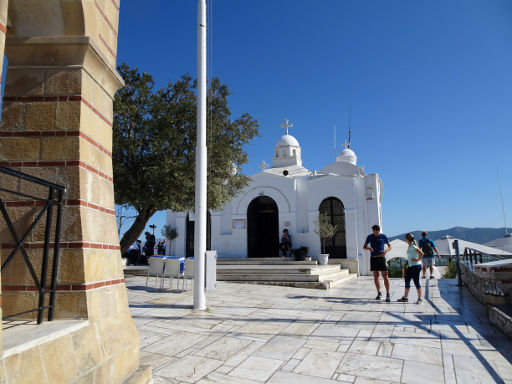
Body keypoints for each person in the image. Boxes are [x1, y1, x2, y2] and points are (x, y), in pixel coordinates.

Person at [363, 224, 392, 302]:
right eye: (376, 232)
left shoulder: (383, 236)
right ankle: (379, 293)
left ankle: (388, 294)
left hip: (381, 258)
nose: (377, 233)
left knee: (385, 275)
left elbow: (390, 246)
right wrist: (368, 248)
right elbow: (364, 247)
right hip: (373, 258)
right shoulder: (369, 237)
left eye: (378, 231)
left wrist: (386, 250)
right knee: (376, 276)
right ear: (373, 231)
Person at [398, 233, 424, 304]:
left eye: (405, 238)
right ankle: (405, 298)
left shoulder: (413, 246)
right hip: (410, 266)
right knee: (407, 281)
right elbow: (410, 257)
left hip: (416, 266)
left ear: (407, 239)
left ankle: (420, 299)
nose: (404, 239)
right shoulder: (409, 246)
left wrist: (417, 259)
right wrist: (408, 265)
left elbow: (422, 253)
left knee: (416, 282)